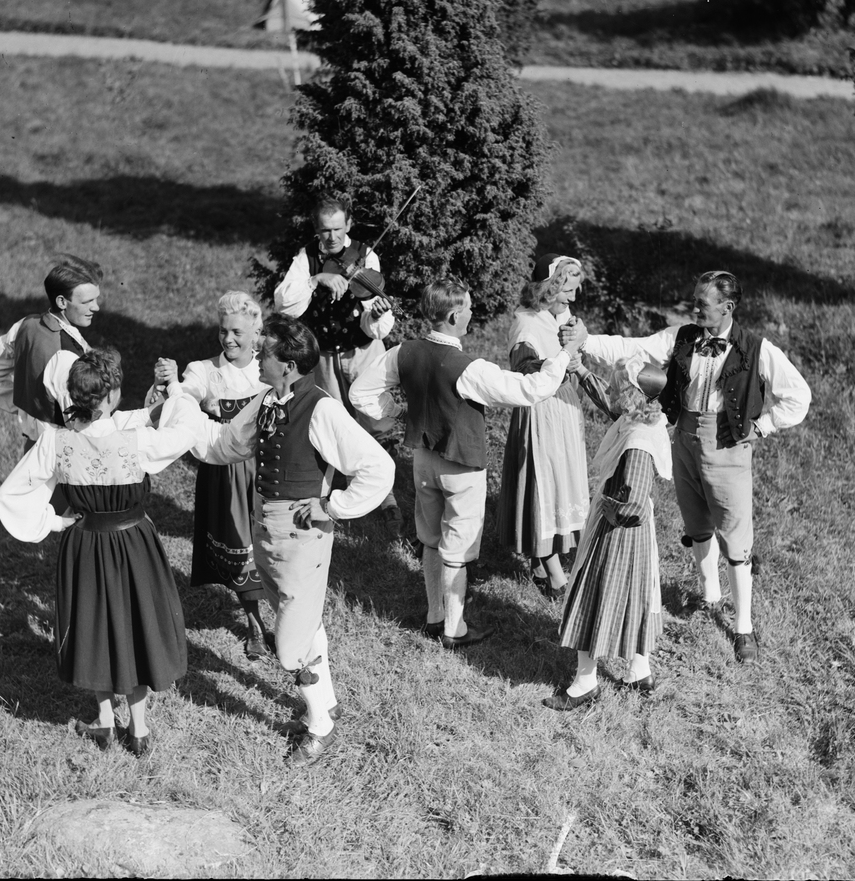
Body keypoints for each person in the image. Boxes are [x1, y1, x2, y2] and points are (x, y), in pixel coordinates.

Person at [564, 270, 811, 664]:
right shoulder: (682, 336)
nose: (695, 308)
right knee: (696, 523)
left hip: (728, 446)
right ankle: (710, 594)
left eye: (703, 303)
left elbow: (798, 396)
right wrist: (586, 341)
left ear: (728, 307)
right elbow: (635, 348)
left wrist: (761, 427)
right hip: (683, 440)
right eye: (695, 301)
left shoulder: (757, 349)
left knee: (735, 533)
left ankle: (743, 627)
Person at [187, 314, 394, 766]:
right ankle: (329, 700)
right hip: (269, 530)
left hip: (303, 535)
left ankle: (321, 725)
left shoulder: (320, 408)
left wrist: (332, 505)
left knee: (288, 648)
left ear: (288, 363)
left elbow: (379, 467)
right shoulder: (265, 399)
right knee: (298, 615)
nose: (257, 356)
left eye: (265, 352)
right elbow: (226, 444)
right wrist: (178, 419)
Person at [350, 278, 587, 649]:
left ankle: (434, 617)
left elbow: (359, 392)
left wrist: (395, 415)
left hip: (423, 461)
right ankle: (455, 630)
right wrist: (564, 354)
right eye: (470, 307)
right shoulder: (468, 367)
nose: (474, 312)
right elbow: (531, 390)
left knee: (430, 539)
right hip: (461, 466)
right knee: (458, 549)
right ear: (455, 315)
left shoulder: (402, 352)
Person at [0, 349, 199, 757]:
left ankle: (105, 722)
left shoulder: (57, 440)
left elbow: (10, 493)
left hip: (85, 543)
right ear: (110, 398)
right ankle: (138, 729)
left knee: (95, 628)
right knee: (136, 626)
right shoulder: (134, 440)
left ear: (74, 394)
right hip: (133, 543)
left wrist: (53, 521)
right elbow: (184, 429)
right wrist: (176, 392)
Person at [544, 354, 671, 710]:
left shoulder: (638, 441)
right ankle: (639, 670)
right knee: (635, 595)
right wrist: (582, 372)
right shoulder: (641, 417)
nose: (613, 393)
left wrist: (611, 512)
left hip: (620, 531)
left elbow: (635, 494)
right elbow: (606, 399)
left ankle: (585, 682)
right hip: (633, 533)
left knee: (596, 592)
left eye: (619, 388)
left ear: (631, 394)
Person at [272, 194, 402, 535]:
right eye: (325, 230)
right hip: (325, 353)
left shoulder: (365, 254)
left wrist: (374, 315)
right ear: (317, 229)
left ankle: (384, 494)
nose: (331, 237)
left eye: (338, 229)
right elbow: (285, 302)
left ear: (349, 225)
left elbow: (376, 321)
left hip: (362, 351)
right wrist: (316, 280)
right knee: (337, 422)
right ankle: (336, 493)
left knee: (374, 421)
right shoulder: (307, 258)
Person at [153, 292, 270, 660]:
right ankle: (255, 624)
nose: (228, 339)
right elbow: (185, 397)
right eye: (223, 331)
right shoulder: (204, 370)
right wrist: (172, 384)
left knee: (275, 545)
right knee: (238, 546)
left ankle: (285, 619)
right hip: (227, 472)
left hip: (269, 468)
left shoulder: (271, 366)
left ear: (257, 333)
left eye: (237, 331)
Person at [497, 253, 601, 600]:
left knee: (563, 485)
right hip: (540, 413)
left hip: (563, 412)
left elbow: (573, 355)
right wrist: (563, 356)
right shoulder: (527, 324)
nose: (573, 297)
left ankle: (543, 563)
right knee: (546, 485)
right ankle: (553, 572)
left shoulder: (562, 316)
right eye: (567, 289)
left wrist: (575, 351)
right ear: (549, 287)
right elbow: (526, 370)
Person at [11, 255, 103, 451]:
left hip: (34, 438)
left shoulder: (27, 324)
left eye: (96, 299)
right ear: (62, 301)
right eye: (87, 301)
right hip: (62, 449)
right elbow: (78, 424)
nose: (96, 307)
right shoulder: (66, 358)